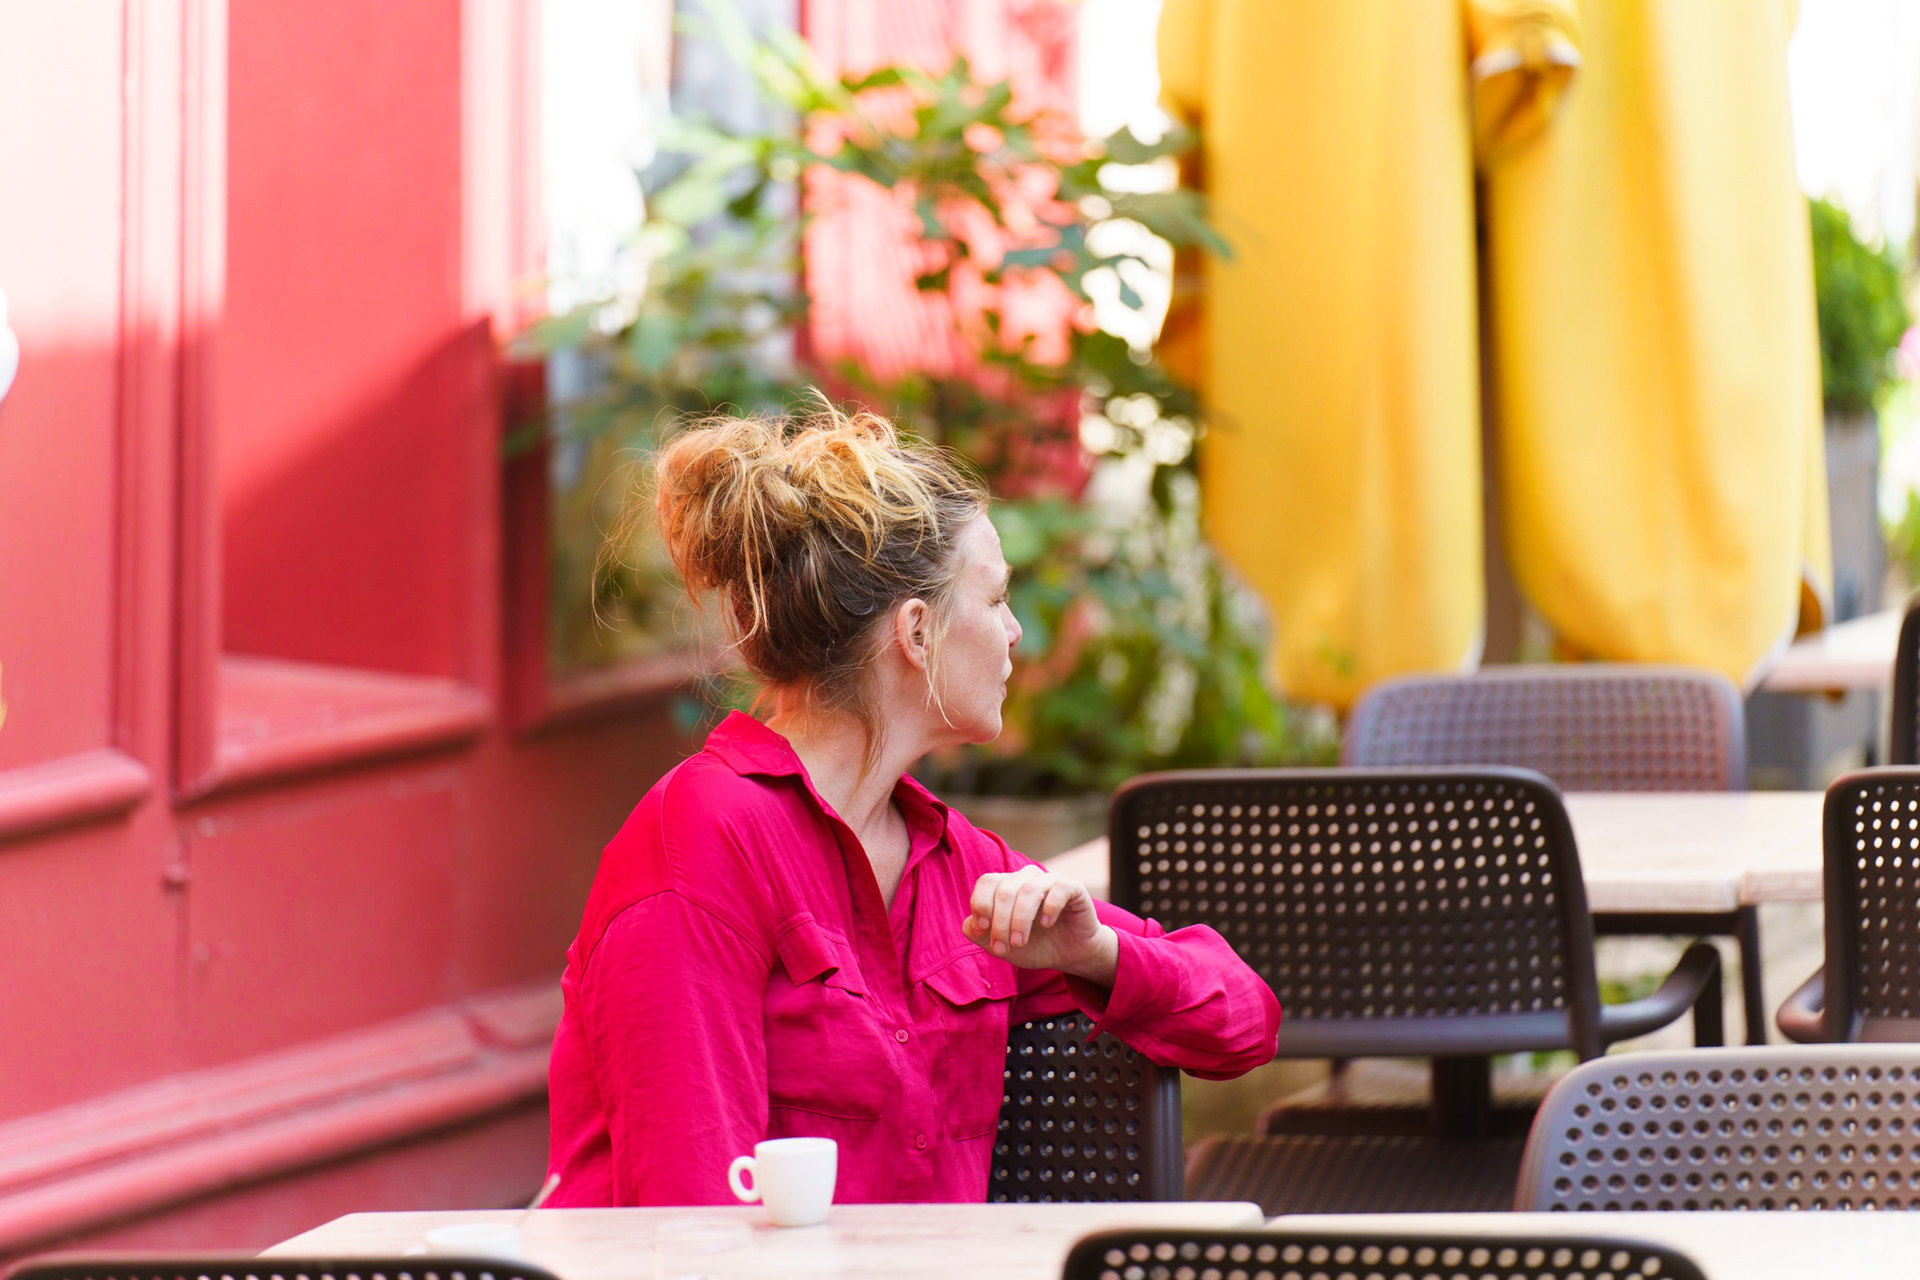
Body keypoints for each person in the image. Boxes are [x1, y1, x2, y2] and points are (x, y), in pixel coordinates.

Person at [544, 405, 1281, 1206]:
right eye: (995, 600)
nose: (1015, 633)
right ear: (918, 633)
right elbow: (692, 1217)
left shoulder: (957, 865)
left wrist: (1094, 951)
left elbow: (1243, 1020)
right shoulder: (701, 843)